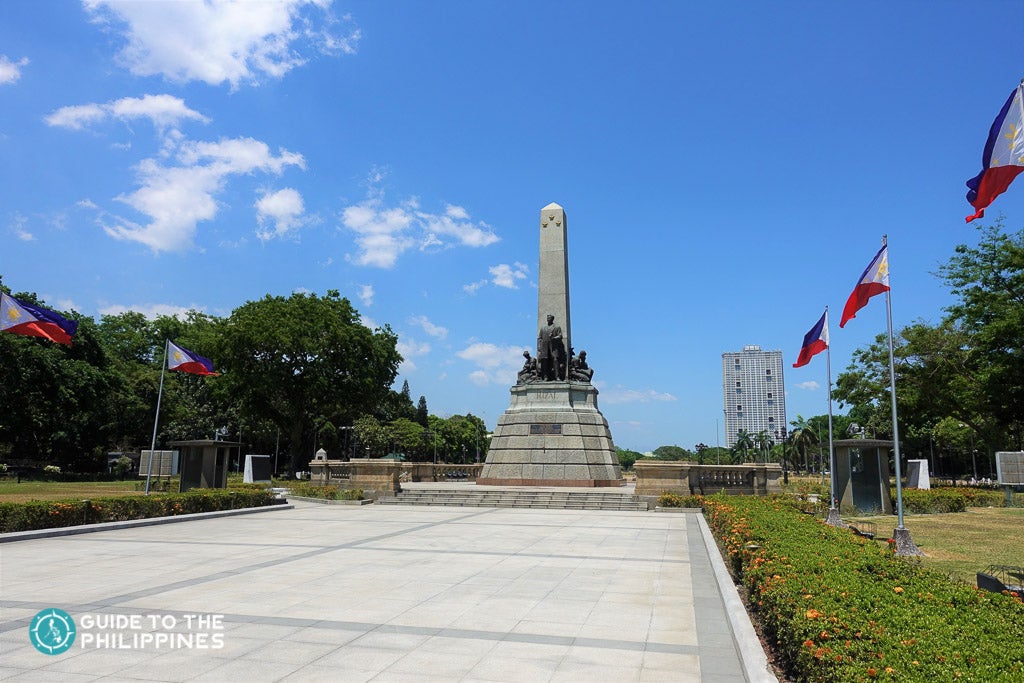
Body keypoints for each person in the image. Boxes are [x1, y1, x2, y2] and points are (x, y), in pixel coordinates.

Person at [536, 314, 565, 380]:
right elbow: (539, 338)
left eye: (549, 318)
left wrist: (554, 338)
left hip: (554, 346)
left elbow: (560, 336)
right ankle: (545, 376)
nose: (548, 319)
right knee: (544, 361)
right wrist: (539, 346)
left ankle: (557, 376)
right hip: (544, 346)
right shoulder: (543, 328)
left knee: (555, 360)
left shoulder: (557, 327)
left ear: (552, 319)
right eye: (547, 318)